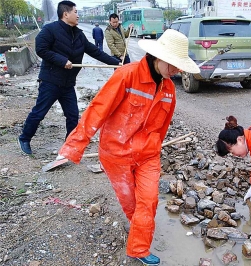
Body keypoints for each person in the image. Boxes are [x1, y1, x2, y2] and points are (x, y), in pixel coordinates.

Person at [57, 29, 200, 265]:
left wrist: (155, 147)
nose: (177, 70)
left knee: (149, 200)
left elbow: (162, 128)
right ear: (158, 57)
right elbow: (97, 110)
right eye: (173, 65)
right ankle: (139, 235)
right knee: (132, 205)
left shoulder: (169, 89)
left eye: (179, 66)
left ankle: (138, 248)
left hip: (148, 155)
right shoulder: (127, 75)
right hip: (117, 154)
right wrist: (74, 146)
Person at [17, 0, 120, 155]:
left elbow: (95, 52)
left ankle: (69, 146)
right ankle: (24, 138)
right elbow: (41, 48)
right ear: (66, 14)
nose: (77, 15)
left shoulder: (78, 34)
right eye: (75, 12)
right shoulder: (50, 30)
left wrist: (117, 63)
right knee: (39, 112)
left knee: (72, 116)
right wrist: (61, 60)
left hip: (67, 83)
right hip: (50, 81)